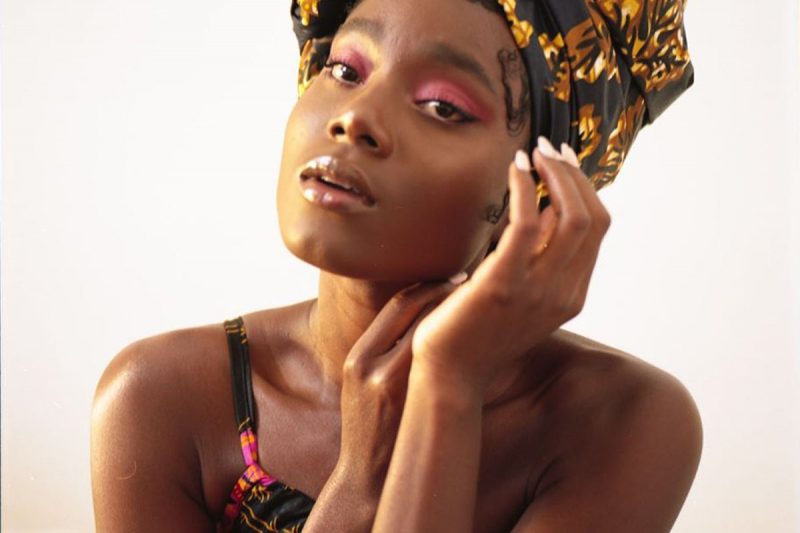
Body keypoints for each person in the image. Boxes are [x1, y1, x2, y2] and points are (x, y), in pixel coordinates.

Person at [91, 0, 702, 531]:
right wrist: (359, 484)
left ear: (541, 186)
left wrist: (447, 384)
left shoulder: (621, 423)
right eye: (345, 70)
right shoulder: (160, 400)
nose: (354, 117)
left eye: (442, 106)